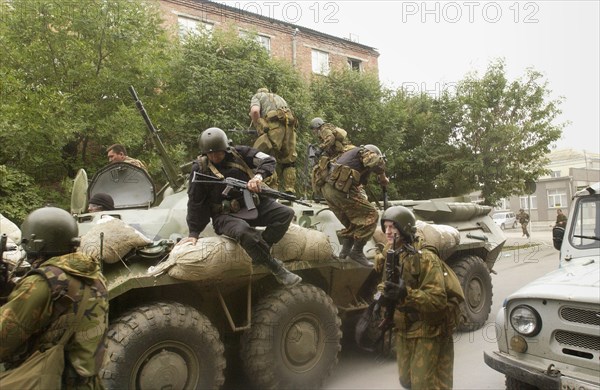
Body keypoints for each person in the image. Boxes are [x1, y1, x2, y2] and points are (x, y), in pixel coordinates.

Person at [0, 206, 108, 388]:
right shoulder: (94, 276)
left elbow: (4, 340)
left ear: (34, 243)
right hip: (86, 382)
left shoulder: (42, 283)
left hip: (48, 381)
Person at [178, 127, 301, 287]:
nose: (215, 156)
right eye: (210, 154)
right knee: (244, 232)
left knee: (285, 213)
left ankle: (260, 251)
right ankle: (275, 267)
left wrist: (258, 177)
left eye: (218, 152)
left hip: (250, 204)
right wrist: (194, 232)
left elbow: (268, 160)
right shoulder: (200, 169)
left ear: (225, 148)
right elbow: (195, 202)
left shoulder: (240, 154)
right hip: (224, 215)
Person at [379, 206, 464, 390]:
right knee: (406, 380)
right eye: (385, 227)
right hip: (403, 327)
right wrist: (384, 302)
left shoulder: (425, 258)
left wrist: (406, 294)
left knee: (424, 385)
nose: (388, 232)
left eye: (393, 227)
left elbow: (437, 299)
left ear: (404, 228)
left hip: (427, 327)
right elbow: (386, 282)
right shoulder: (391, 253)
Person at [321, 144, 389, 266]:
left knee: (354, 222)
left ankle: (344, 254)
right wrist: (382, 177)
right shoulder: (365, 152)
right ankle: (356, 252)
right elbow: (376, 162)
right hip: (340, 190)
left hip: (328, 191)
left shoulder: (348, 155)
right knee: (372, 215)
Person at [248, 87, 298, 194]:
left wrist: (258, 124)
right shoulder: (280, 98)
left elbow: (255, 111)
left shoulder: (258, 96)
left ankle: (271, 189)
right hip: (289, 129)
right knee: (288, 161)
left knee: (263, 157)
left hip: (274, 129)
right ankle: (290, 188)